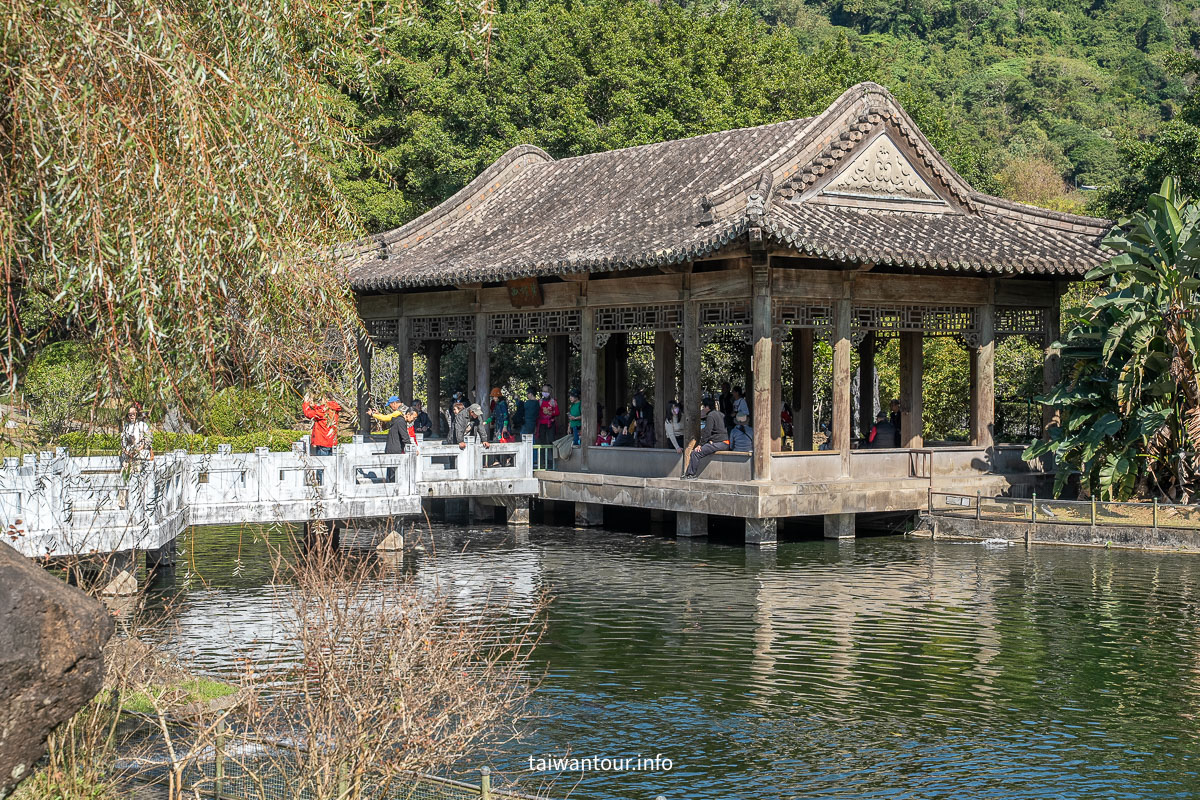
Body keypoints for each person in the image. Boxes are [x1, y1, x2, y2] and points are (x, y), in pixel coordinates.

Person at [684, 396, 729, 479]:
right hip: (725, 442)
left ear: (707, 407)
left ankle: (691, 474)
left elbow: (707, 432)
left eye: (703, 407)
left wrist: (700, 445)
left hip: (720, 443)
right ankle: (690, 474)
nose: (703, 409)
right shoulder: (721, 414)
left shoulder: (711, 416)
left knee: (695, 453)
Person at [120, 402, 154, 471]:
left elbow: (149, 439)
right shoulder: (126, 427)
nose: (131, 416)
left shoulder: (143, 425)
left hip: (141, 457)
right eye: (130, 414)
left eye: (133, 414)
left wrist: (138, 450)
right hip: (128, 458)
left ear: (137, 414)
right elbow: (123, 441)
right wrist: (126, 451)